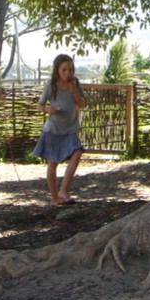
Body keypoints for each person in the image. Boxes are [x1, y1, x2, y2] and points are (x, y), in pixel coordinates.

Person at [32, 53, 86, 205]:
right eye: (64, 70)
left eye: (70, 69)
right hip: (54, 129)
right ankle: (54, 198)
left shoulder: (75, 83)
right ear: (57, 70)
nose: (68, 73)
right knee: (53, 162)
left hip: (70, 129)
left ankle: (64, 190)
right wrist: (48, 110)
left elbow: (81, 104)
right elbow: (39, 105)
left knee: (77, 153)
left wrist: (74, 89)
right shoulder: (51, 86)